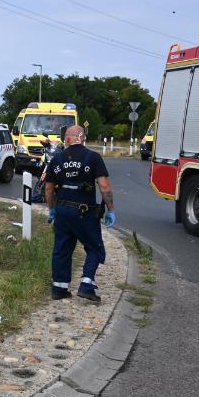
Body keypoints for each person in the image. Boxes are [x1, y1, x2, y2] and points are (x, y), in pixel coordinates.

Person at [44, 125, 116, 302]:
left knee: (62, 249)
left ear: (67, 139)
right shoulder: (93, 157)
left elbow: (48, 188)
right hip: (84, 212)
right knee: (94, 247)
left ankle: (59, 289)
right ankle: (86, 285)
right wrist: (111, 209)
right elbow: (104, 186)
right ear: (81, 137)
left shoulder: (57, 159)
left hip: (62, 211)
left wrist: (52, 209)